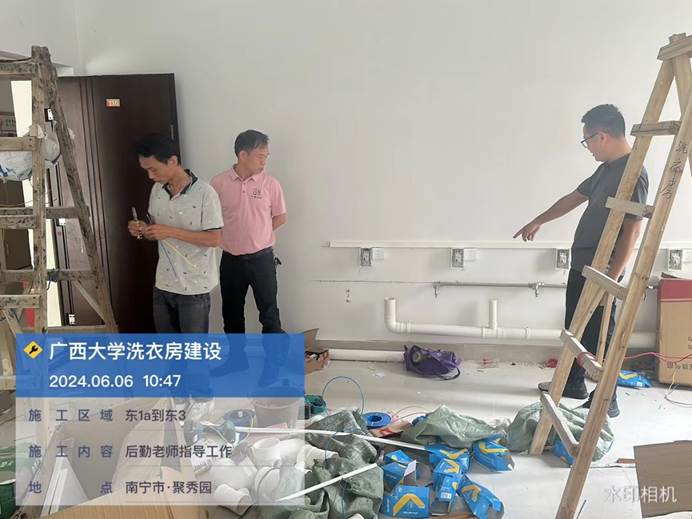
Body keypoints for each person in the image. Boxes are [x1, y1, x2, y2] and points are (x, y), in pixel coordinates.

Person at [514, 104, 648, 418]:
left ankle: (607, 399)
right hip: (583, 262)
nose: (587, 147)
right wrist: (539, 220)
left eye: (587, 140)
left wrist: (611, 278)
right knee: (574, 327)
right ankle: (572, 382)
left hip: (604, 269)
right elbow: (574, 198)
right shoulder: (606, 169)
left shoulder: (634, 173)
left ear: (602, 136)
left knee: (599, 336)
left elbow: (633, 229)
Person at [127, 133, 223, 333]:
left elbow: (214, 239)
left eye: (153, 169)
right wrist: (142, 229)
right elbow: (154, 230)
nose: (150, 176)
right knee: (168, 348)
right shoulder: (157, 191)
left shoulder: (205, 193)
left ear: (172, 161)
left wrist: (169, 231)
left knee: (193, 350)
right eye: (146, 170)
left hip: (194, 287)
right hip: (163, 283)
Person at [211, 130, 287, 334]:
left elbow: (280, 217)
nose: (264, 162)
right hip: (231, 260)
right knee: (231, 314)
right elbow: (211, 219)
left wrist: (258, 232)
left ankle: (273, 355)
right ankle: (236, 354)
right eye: (260, 157)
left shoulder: (271, 184)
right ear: (243, 155)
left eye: (266, 157)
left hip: (262, 259)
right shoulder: (218, 183)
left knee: (269, 314)